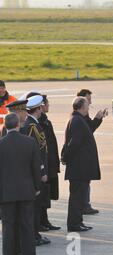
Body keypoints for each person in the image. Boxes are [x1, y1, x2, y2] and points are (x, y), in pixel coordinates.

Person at [0, 113, 41, 255]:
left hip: (6, 194)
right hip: (26, 192)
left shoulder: (1, 144)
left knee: (8, 228)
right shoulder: (29, 142)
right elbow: (35, 168)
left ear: (6, 126)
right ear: (18, 125)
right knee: (27, 227)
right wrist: (37, 187)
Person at [62, 97, 101, 232]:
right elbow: (74, 144)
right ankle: (74, 224)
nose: (88, 108)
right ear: (82, 107)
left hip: (80, 167)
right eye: (87, 106)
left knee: (78, 197)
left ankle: (77, 222)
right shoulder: (77, 121)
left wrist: (98, 119)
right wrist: (65, 157)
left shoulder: (77, 119)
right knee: (77, 198)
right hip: (79, 168)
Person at [22, 95, 51, 246]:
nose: (42, 111)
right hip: (35, 173)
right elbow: (35, 153)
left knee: (36, 205)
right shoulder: (31, 127)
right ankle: (34, 235)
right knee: (34, 206)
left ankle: (35, 234)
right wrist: (41, 171)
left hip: (36, 171)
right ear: (38, 109)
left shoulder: (34, 124)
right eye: (40, 108)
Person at [76, 89, 107, 215]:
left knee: (86, 181)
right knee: (84, 182)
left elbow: (89, 129)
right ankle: (84, 205)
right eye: (88, 99)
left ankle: (85, 204)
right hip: (83, 156)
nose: (90, 102)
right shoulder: (80, 116)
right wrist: (97, 118)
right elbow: (89, 130)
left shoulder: (83, 115)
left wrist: (98, 118)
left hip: (85, 154)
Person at [38, 95, 61, 231]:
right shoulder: (38, 124)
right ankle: (41, 222)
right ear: (41, 106)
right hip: (44, 165)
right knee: (42, 195)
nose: (48, 106)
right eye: (47, 103)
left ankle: (45, 220)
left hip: (50, 164)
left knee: (46, 195)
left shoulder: (46, 121)